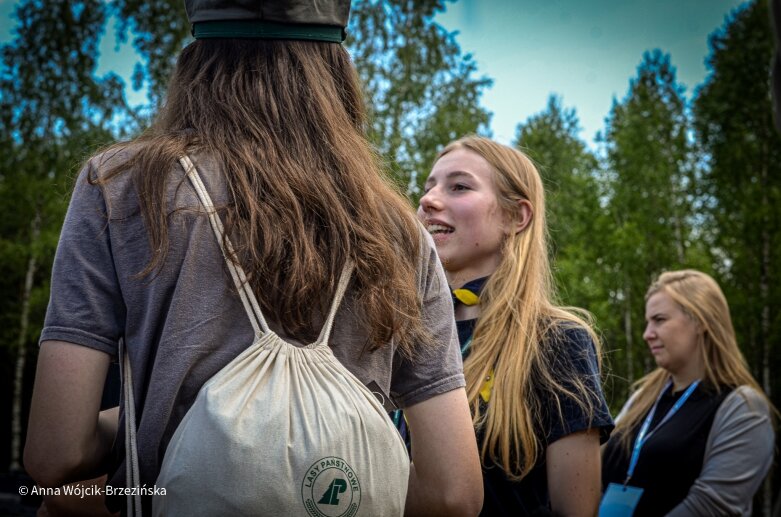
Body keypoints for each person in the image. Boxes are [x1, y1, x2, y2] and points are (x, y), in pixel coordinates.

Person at [23, 2, 483, 516]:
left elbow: (54, 454)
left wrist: (151, 423)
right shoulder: (398, 231)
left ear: (197, 61)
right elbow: (454, 493)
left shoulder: (122, 187)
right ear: (336, 72)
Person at [414, 135, 614, 516]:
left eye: (458, 186)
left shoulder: (558, 341)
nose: (428, 200)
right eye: (428, 187)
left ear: (515, 217)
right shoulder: (404, 335)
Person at [601, 269, 776, 516]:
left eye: (659, 320)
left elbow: (711, 507)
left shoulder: (743, 408)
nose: (647, 334)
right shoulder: (643, 398)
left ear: (700, 321)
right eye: (647, 322)